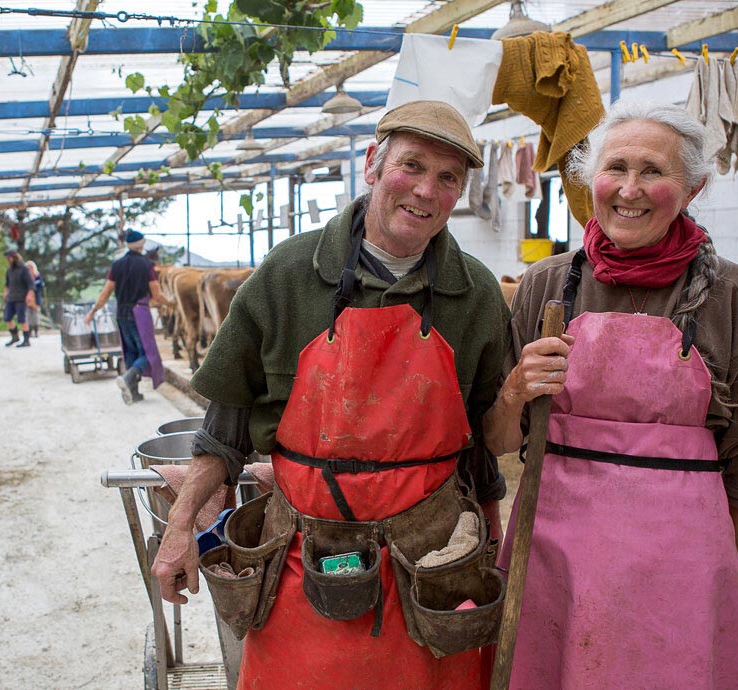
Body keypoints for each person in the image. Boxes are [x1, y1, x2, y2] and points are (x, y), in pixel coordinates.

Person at [151, 101, 542, 689]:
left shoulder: (476, 293)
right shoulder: (287, 275)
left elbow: (487, 449)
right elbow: (222, 433)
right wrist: (180, 530)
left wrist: (512, 400)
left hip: (430, 569)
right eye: (411, 166)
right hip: (306, 558)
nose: (426, 191)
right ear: (372, 165)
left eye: (448, 178)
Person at [487, 100, 738, 689]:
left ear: (693, 187)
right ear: (589, 179)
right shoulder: (549, 284)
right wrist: (514, 393)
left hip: (683, 564)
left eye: (653, 171)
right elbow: (501, 440)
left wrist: (716, 568)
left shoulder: (732, 294)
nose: (629, 189)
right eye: (615, 167)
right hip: (554, 555)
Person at [85, 229, 165, 404]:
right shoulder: (147, 265)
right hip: (139, 312)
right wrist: (171, 303)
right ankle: (128, 377)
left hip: (121, 313)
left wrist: (93, 311)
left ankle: (133, 393)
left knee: (130, 352)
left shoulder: (117, 265)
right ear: (141, 245)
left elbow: (105, 293)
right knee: (147, 353)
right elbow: (157, 295)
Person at [3, 248, 36, 347]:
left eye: (9, 258)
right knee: (7, 318)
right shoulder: (9, 270)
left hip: (21, 298)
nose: (8, 260)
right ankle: (15, 336)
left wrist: (29, 295)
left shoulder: (24, 269)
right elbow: (7, 283)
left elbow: (31, 284)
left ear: (14, 257)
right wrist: (5, 293)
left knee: (22, 319)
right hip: (11, 297)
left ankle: (26, 340)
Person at [25, 260, 45, 338]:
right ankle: (29, 330)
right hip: (27, 298)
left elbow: (41, 286)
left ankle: (36, 330)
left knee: (35, 315)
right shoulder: (25, 277)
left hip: (36, 298)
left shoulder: (37, 276)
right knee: (28, 315)